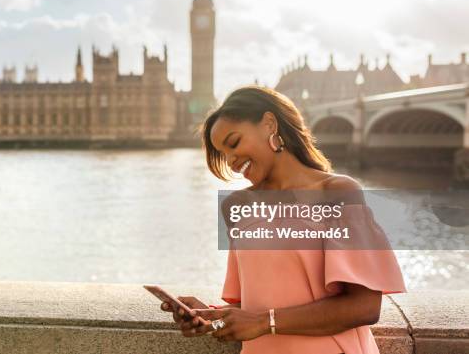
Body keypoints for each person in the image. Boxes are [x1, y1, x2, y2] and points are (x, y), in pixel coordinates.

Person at [160, 85, 406, 354]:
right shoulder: (236, 206)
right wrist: (211, 316)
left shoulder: (338, 192)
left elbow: (364, 307)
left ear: (268, 124)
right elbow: (253, 308)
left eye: (234, 143)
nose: (230, 161)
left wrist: (265, 322)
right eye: (223, 154)